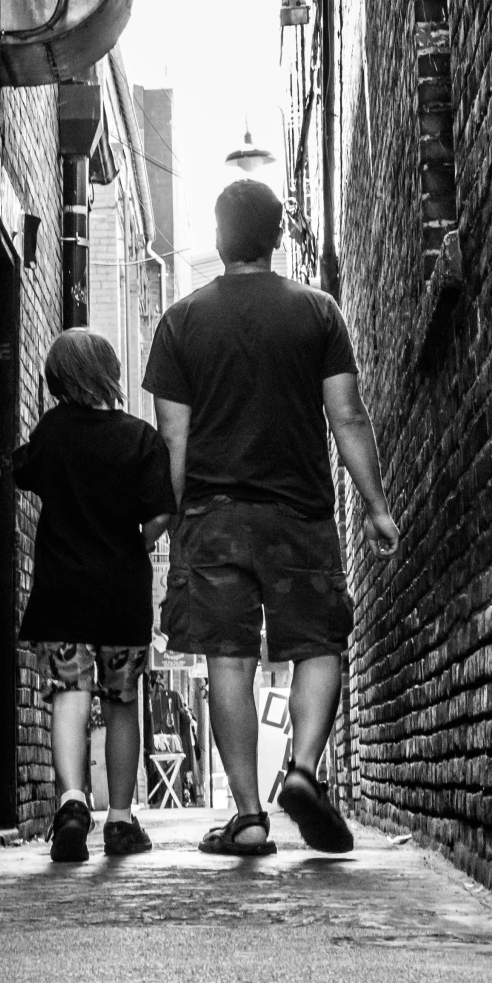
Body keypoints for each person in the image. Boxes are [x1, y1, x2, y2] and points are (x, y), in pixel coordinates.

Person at [143, 178, 400, 856]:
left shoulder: (180, 321)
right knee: (318, 641)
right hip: (299, 512)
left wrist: (158, 522)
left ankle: (250, 816)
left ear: (221, 237)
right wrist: (374, 506)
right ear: (277, 236)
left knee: (228, 656)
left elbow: (173, 440)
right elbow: (346, 415)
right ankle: (304, 769)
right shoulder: (317, 312)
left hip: (212, 516)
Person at [11, 327, 178, 861]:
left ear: (58, 379)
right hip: (122, 593)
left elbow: (21, 469)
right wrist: (132, 538)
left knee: (70, 694)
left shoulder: (54, 430)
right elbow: (160, 516)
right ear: (110, 372)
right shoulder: (140, 437)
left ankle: (72, 801)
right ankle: (122, 820)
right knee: (123, 701)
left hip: (63, 592)